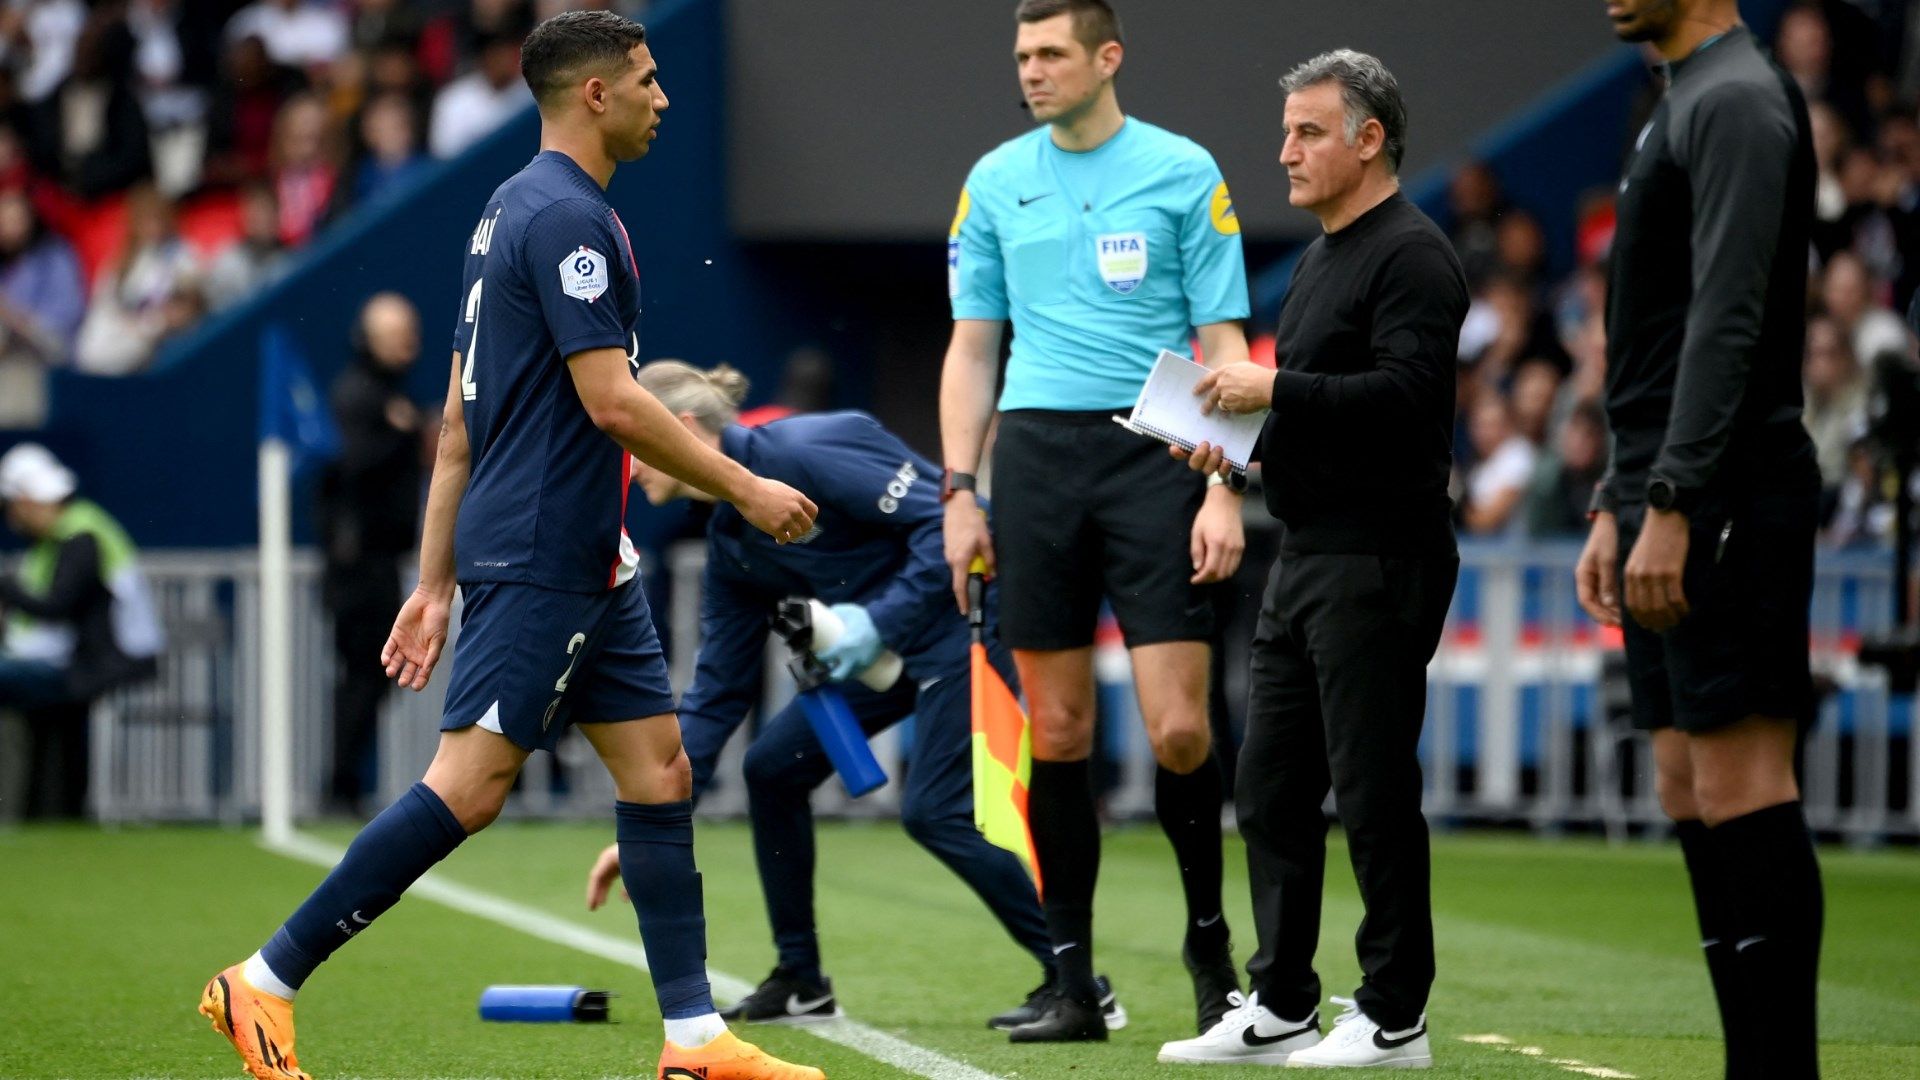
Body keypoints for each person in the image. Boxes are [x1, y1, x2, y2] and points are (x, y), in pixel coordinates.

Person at [197, 13, 825, 1080]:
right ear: (594, 94)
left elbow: (457, 419)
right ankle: (264, 979)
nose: (664, 97)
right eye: (647, 79)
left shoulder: (504, 211)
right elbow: (613, 401)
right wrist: (747, 485)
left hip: (586, 556)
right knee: (470, 787)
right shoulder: (571, 218)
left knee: (660, 771)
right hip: (542, 551)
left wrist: (433, 580)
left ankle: (694, 1041)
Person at [582, 360, 1122, 1032]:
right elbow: (717, 691)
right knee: (771, 770)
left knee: (935, 813)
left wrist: (877, 623)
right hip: (891, 654)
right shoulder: (731, 541)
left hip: (970, 625)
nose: (629, 468)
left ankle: (1079, 984)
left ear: (683, 429)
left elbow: (951, 525)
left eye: (635, 446)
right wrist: (653, 823)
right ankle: (800, 980)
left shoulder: (807, 448)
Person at [938, 0, 1251, 1044]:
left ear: (1108, 56)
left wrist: (1224, 485)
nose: (1031, 70)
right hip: (1034, 459)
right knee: (1060, 731)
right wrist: (959, 490)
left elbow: (1223, 341)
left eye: (1051, 53)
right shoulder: (993, 180)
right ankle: (1073, 982)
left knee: (1179, 729)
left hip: (1156, 456)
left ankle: (1213, 959)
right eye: (1022, 55)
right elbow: (972, 348)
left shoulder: (1183, 170)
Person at [1159, 50, 1465, 1069]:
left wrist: (1272, 393)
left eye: (1307, 132)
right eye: (1287, 131)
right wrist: (1233, 449)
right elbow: (1325, 415)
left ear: (1368, 139)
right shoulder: (1325, 257)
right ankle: (1283, 1000)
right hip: (1307, 552)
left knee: (1372, 792)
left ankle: (1395, 1015)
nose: (1285, 151)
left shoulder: (1412, 254)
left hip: (1380, 552)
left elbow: (1408, 399)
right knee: (1272, 789)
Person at [1576, 3, 1825, 1077]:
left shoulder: (1736, 99)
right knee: (1684, 782)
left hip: (1726, 487)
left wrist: (1674, 497)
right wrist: (1617, 495)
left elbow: (1729, 315)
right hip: (1662, 487)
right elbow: (1654, 332)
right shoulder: (1681, 97)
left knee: (1741, 780)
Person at [0, 442, 162, 820]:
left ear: (26, 500)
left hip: (97, 663)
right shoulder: (67, 534)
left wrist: (6, 588)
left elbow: (58, 605)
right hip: (79, 660)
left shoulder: (80, 535)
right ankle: (41, 810)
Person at [316, 293, 427, 816]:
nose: (407, 346)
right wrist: (404, 434)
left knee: (371, 675)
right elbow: (350, 464)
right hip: (359, 563)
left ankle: (344, 782)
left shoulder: (384, 396)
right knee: (366, 671)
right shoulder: (360, 396)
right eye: (394, 336)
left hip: (376, 559)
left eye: (409, 335)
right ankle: (340, 784)